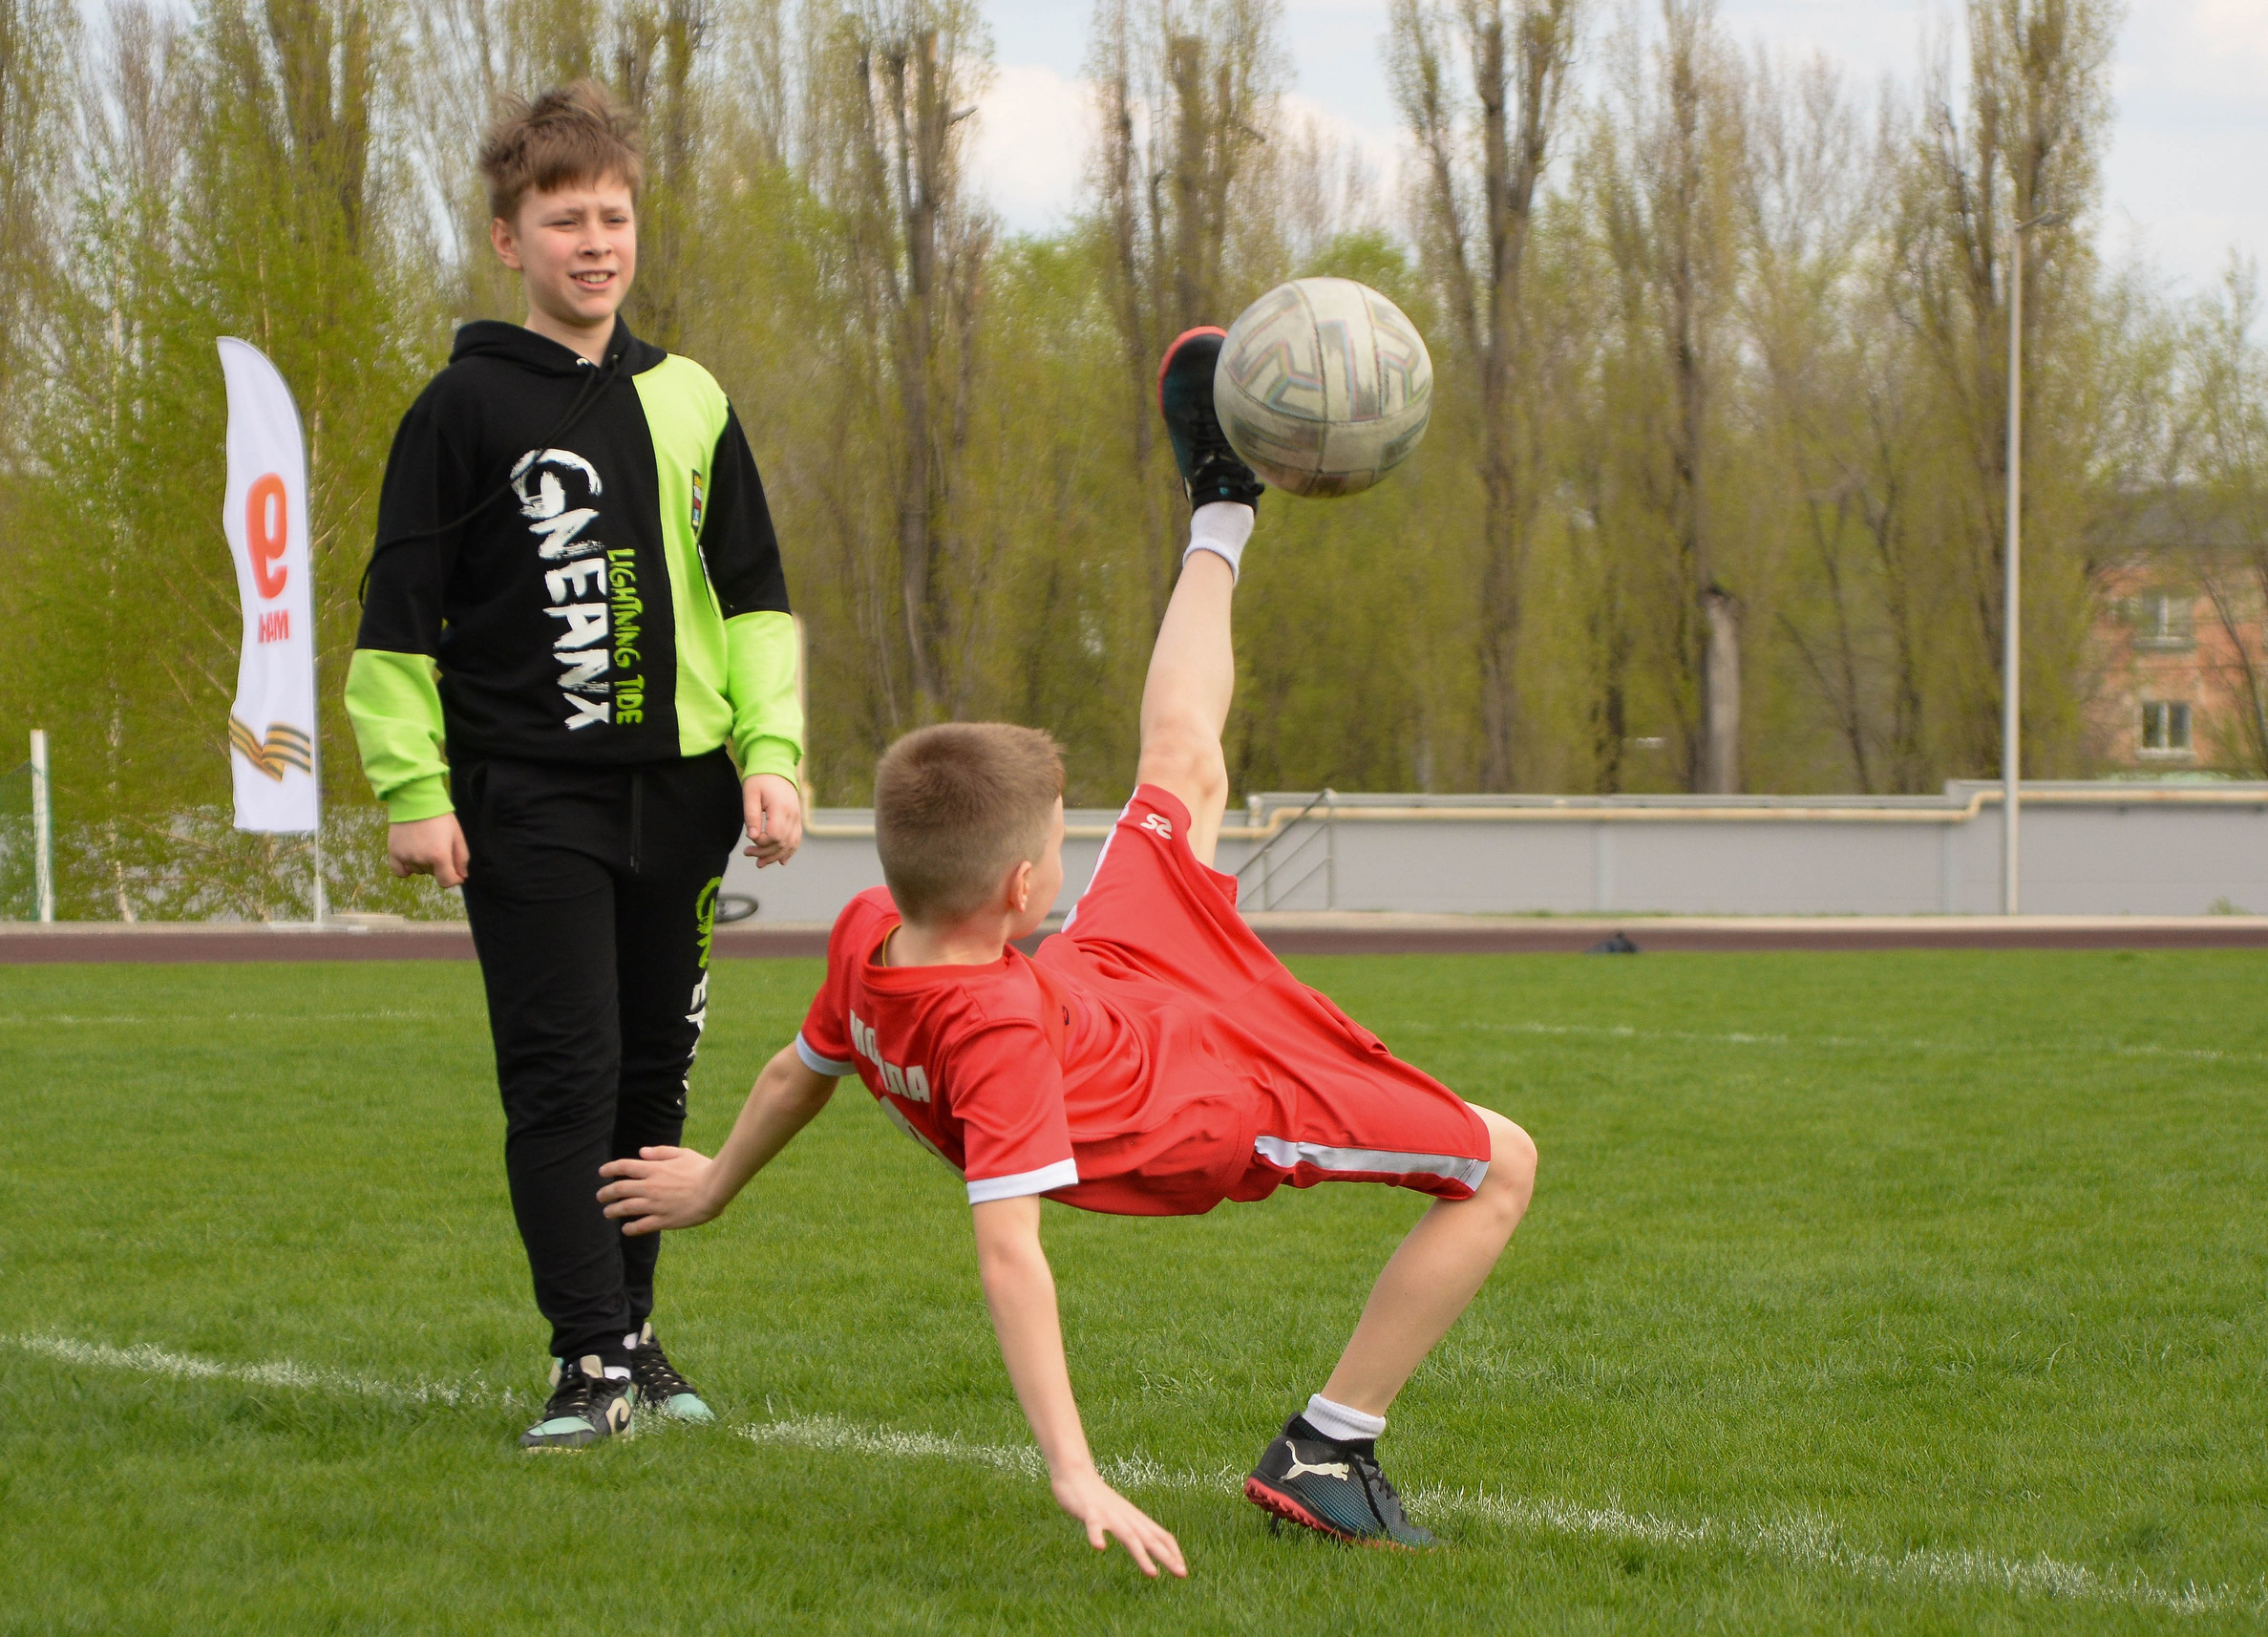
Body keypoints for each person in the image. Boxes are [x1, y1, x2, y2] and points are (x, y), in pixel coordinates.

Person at [596, 328, 1538, 1564]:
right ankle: (1329, 1444)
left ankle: (1220, 503)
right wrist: (1077, 1475)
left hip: (1104, 983)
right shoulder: (987, 1036)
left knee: (1181, 769)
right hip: (1193, 1093)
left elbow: (797, 1069)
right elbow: (1010, 1258)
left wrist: (715, 1184)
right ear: (1028, 885)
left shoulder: (872, 929)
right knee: (1499, 1161)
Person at [345, 81, 803, 1450]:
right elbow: (395, 613)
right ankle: (585, 1361)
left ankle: (637, 1334)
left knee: (649, 1084)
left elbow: (758, 596)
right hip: (527, 796)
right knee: (563, 1074)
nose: (593, 243)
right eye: (563, 220)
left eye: (613, 217)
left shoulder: (693, 398)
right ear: (509, 241)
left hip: (685, 795)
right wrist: (412, 789)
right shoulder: (460, 407)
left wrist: (770, 757)